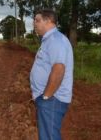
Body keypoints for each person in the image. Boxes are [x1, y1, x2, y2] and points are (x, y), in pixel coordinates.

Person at [30, 9, 74, 140]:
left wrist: (46, 97)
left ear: (48, 21)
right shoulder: (48, 40)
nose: (34, 24)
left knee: (49, 137)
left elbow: (59, 69)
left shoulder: (56, 40)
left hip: (53, 99)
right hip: (49, 99)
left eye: (37, 20)